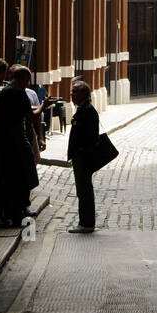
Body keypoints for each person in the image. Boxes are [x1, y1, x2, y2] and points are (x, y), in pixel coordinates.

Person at [0, 64, 40, 226]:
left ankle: (18, 211)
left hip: (8, 142)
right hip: (15, 142)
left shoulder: (8, 90)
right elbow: (30, 115)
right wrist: (43, 106)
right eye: (27, 80)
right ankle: (17, 214)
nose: (28, 84)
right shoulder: (17, 92)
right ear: (22, 78)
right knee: (20, 178)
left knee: (15, 178)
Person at [67, 77, 100, 232]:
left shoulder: (87, 111)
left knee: (84, 190)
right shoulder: (83, 109)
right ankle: (86, 222)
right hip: (81, 156)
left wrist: (80, 153)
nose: (71, 94)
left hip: (83, 157)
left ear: (83, 94)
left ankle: (86, 224)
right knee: (83, 190)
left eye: (74, 92)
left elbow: (89, 136)